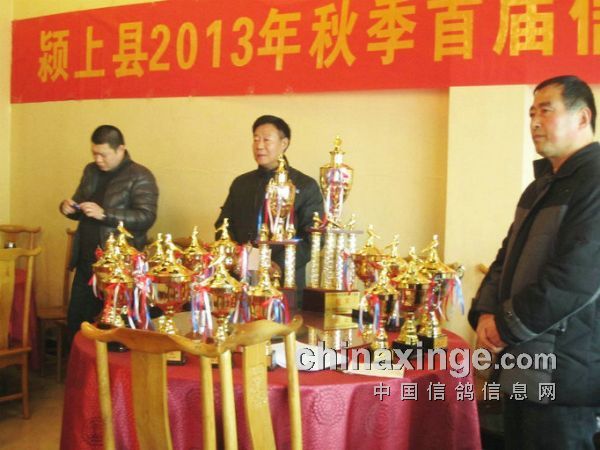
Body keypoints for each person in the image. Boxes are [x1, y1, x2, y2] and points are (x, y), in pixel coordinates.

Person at [469, 75, 600, 449]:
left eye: (546, 111)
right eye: (531, 114)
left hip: (568, 372)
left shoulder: (595, 180)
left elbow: (578, 278)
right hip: (523, 361)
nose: (535, 123)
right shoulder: (541, 185)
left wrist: (504, 326)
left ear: (582, 117)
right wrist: (486, 314)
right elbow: (505, 256)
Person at [60, 125, 159, 336]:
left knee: (111, 327)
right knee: (78, 322)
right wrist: (69, 208)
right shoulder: (91, 171)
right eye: (94, 154)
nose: (98, 160)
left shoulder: (140, 175)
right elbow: (81, 203)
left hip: (118, 267)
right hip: (86, 260)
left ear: (120, 149)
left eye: (103, 155)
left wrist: (106, 214)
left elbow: (146, 217)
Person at [215, 115, 324, 304]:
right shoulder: (241, 183)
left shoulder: (305, 185)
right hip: (240, 279)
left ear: (284, 143)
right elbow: (223, 226)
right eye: (255, 139)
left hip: (283, 283)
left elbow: (314, 238)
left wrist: (278, 265)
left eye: (266, 139)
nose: (259, 145)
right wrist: (235, 255)